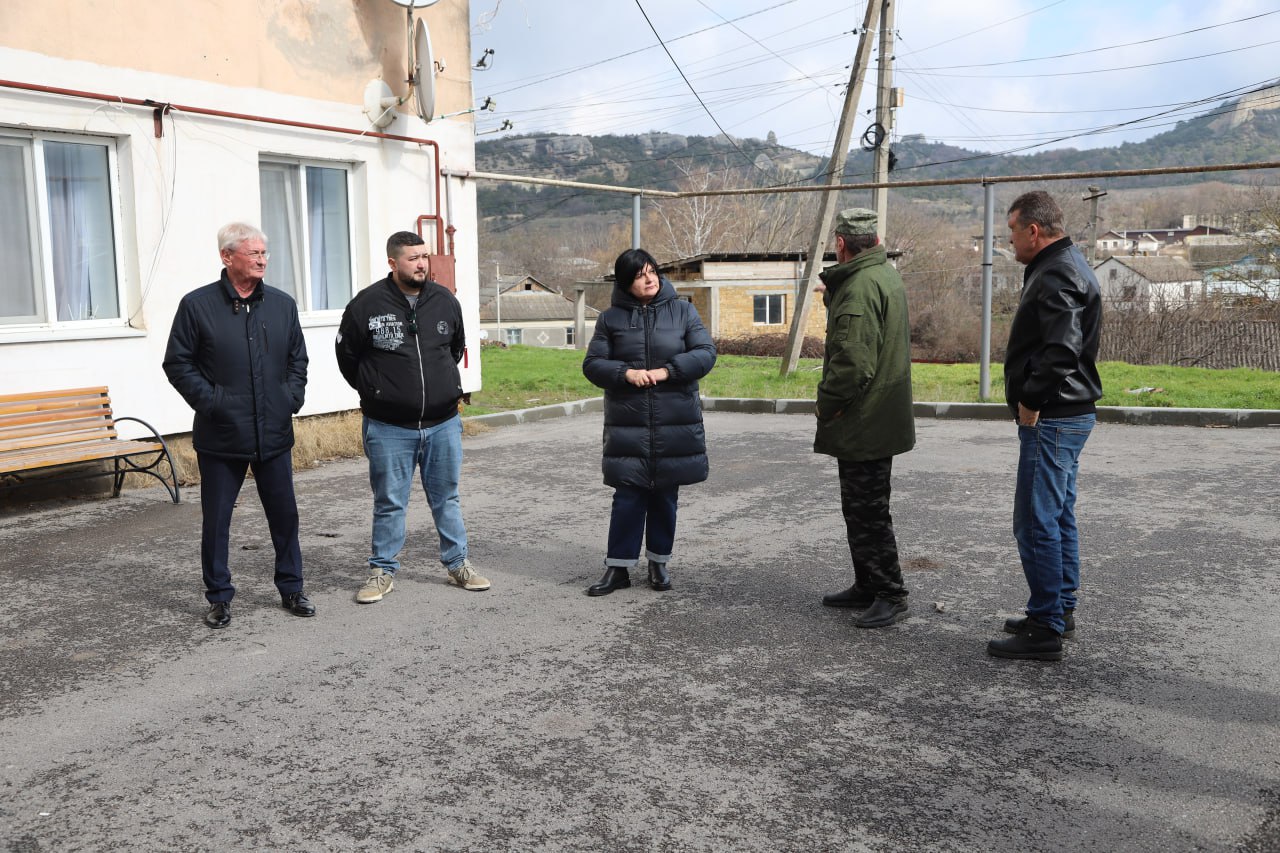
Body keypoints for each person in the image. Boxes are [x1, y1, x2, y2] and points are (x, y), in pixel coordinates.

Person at [163, 222, 313, 629]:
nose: (263, 260)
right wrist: (214, 403)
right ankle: (219, 597)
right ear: (227, 257)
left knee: (285, 517)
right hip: (221, 435)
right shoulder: (197, 305)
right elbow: (178, 363)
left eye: (265, 253)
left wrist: (289, 398)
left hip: (274, 434)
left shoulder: (282, 304)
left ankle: (292, 588)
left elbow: (297, 359)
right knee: (217, 523)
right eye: (254, 253)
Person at [336, 231, 489, 602]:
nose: (422, 264)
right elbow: (348, 358)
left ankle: (458, 564)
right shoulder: (366, 305)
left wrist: (438, 391)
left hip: (443, 424)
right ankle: (382, 571)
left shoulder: (444, 301)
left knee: (447, 498)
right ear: (393, 263)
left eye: (424, 256)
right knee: (390, 502)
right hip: (388, 427)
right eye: (413, 258)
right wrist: (378, 391)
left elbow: (454, 349)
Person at [988, 190, 1103, 662]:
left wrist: (1031, 400)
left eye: (1012, 231)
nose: (1009, 241)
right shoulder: (1066, 264)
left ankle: (1045, 628)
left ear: (1033, 230)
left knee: (1035, 522)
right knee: (1056, 516)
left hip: (1054, 415)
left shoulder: (1057, 272)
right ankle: (1058, 610)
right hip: (1069, 413)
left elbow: (1061, 349)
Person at [582, 248, 716, 596]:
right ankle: (618, 568)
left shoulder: (684, 310)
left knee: (665, 494)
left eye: (652, 271)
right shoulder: (610, 319)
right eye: (640, 275)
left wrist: (667, 371)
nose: (649, 279)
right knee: (628, 494)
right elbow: (593, 364)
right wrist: (625, 373)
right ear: (626, 282)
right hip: (629, 423)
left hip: (675, 420)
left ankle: (659, 563)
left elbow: (705, 354)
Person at [815, 208, 915, 629]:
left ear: (841, 243)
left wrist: (826, 403)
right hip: (878, 415)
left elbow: (853, 364)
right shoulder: (884, 274)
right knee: (860, 508)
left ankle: (889, 592)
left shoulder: (859, 286)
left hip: (865, 419)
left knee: (868, 511)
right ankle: (868, 584)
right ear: (873, 240)